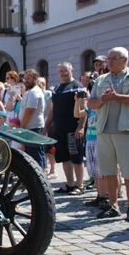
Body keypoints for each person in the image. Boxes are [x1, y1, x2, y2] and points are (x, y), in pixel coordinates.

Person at [88, 47, 129, 222]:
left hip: (126, 129)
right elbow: (91, 103)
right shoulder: (101, 79)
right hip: (104, 129)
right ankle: (113, 205)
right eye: (109, 58)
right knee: (108, 171)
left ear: (125, 60)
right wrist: (102, 100)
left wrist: (117, 97)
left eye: (115, 58)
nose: (110, 61)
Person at [46, 62, 86, 195]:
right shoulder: (57, 88)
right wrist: (46, 127)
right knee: (64, 158)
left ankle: (80, 185)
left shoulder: (78, 87)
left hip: (73, 129)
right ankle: (69, 183)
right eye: (60, 71)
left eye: (65, 70)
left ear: (71, 70)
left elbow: (84, 109)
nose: (63, 73)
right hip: (59, 129)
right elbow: (52, 110)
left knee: (76, 158)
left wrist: (81, 127)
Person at [19, 69, 46, 168]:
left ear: (35, 78)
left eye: (28, 78)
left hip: (33, 128)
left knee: (35, 156)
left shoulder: (34, 92)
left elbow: (30, 111)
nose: (25, 80)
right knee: (31, 156)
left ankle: (39, 181)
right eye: (24, 78)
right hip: (30, 128)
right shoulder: (30, 91)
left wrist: (22, 127)